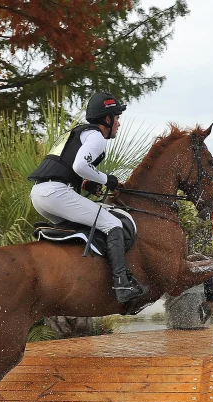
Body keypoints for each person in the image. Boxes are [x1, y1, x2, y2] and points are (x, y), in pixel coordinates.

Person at [28, 92, 148, 304]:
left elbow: (66, 167)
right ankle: (122, 283)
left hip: (40, 195)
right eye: (117, 118)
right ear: (107, 119)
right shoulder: (96, 138)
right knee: (112, 224)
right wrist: (106, 179)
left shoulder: (76, 133)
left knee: (84, 229)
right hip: (56, 193)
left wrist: (85, 184)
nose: (119, 124)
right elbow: (80, 166)